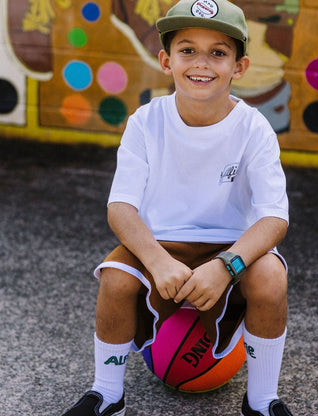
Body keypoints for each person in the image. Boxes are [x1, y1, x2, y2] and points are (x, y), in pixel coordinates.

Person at [61, 1, 293, 415]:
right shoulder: (145, 121)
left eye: (218, 52)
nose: (201, 64)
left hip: (229, 245)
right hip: (160, 243)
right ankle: (107, 392)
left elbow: (274, 216)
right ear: (166, 60)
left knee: (271, 277)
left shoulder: (254, 127)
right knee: (115, 279)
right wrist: (157, 259)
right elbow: (121, 207)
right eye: (188, 50)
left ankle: (261, 400)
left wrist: (226, 266)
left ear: (239, 67)